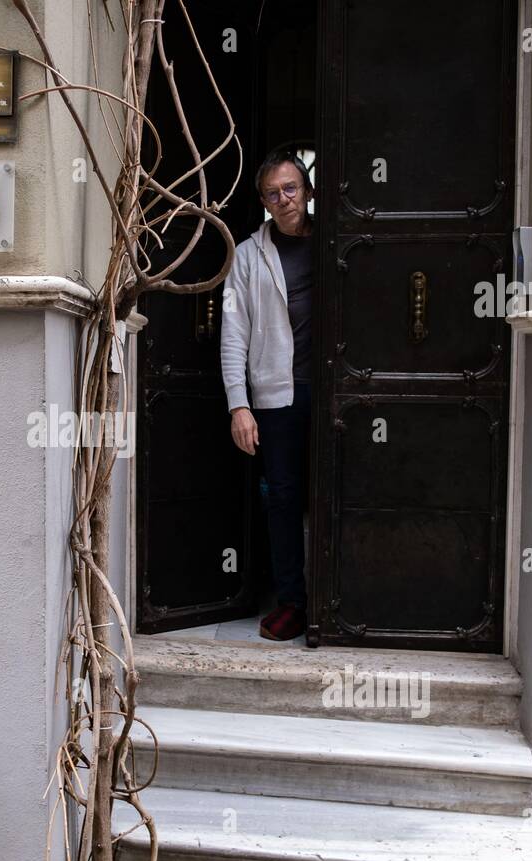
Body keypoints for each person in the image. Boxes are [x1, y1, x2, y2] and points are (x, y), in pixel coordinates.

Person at [220, 145, 316, 642]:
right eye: (273, 194)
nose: (283, 199)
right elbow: (233, 331)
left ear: (307, 189)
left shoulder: (335, 242)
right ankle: (293, 602)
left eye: (290, 189)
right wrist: (239, 403)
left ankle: (343, 598)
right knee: (282, 498)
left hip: (336, 390)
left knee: (339, 490)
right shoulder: (248, 255)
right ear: (263, 201)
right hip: (279, 396)